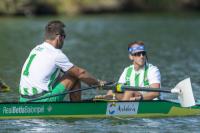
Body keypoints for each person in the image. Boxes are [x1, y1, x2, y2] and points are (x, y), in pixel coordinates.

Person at [19, 20, 105, 102]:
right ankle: (77, 109)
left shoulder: (36, 49)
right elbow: (80, 73)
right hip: (40, 101)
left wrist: (90, 82)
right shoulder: (56, 54)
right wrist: (98, 83)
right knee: (74, 75)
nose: (64, 40)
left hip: (23, 100)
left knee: (64, 74)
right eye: (64, 37)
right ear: (59, 37)